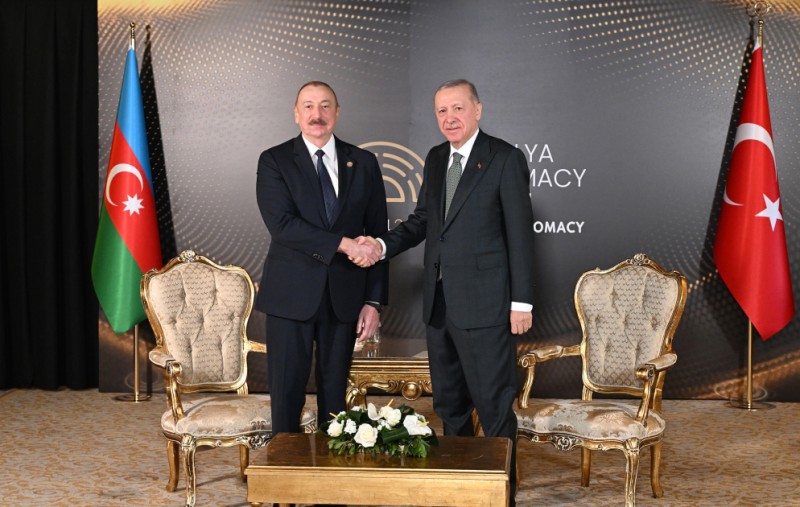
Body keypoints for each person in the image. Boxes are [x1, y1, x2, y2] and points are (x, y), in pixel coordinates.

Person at [355, 79, 533, 504]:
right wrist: (381, 246)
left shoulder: (504, 158)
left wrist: (521, 302)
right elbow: (423, 221)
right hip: (439, 307)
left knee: (493, 407)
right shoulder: (436, 158)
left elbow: (520, 235)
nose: (449, 118)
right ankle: (462, 488)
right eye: (441, 111)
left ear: (477, 110)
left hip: (487, 307)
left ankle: (501, 494)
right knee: (450, 406)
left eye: (458, 108)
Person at [255, 81, 387, 434]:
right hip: (290, 297)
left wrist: (373, 301)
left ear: (337, 113)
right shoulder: (275, 160)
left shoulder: (363, 162)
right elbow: (283, 226)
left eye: (326, 106)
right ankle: (285, 466)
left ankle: (332, 465)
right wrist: (345, 244)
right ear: (296, 114)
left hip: (345, 297)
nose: (318, 114)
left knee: (335, 401)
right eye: (309, 106)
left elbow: (378, 237)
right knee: (286, 397)